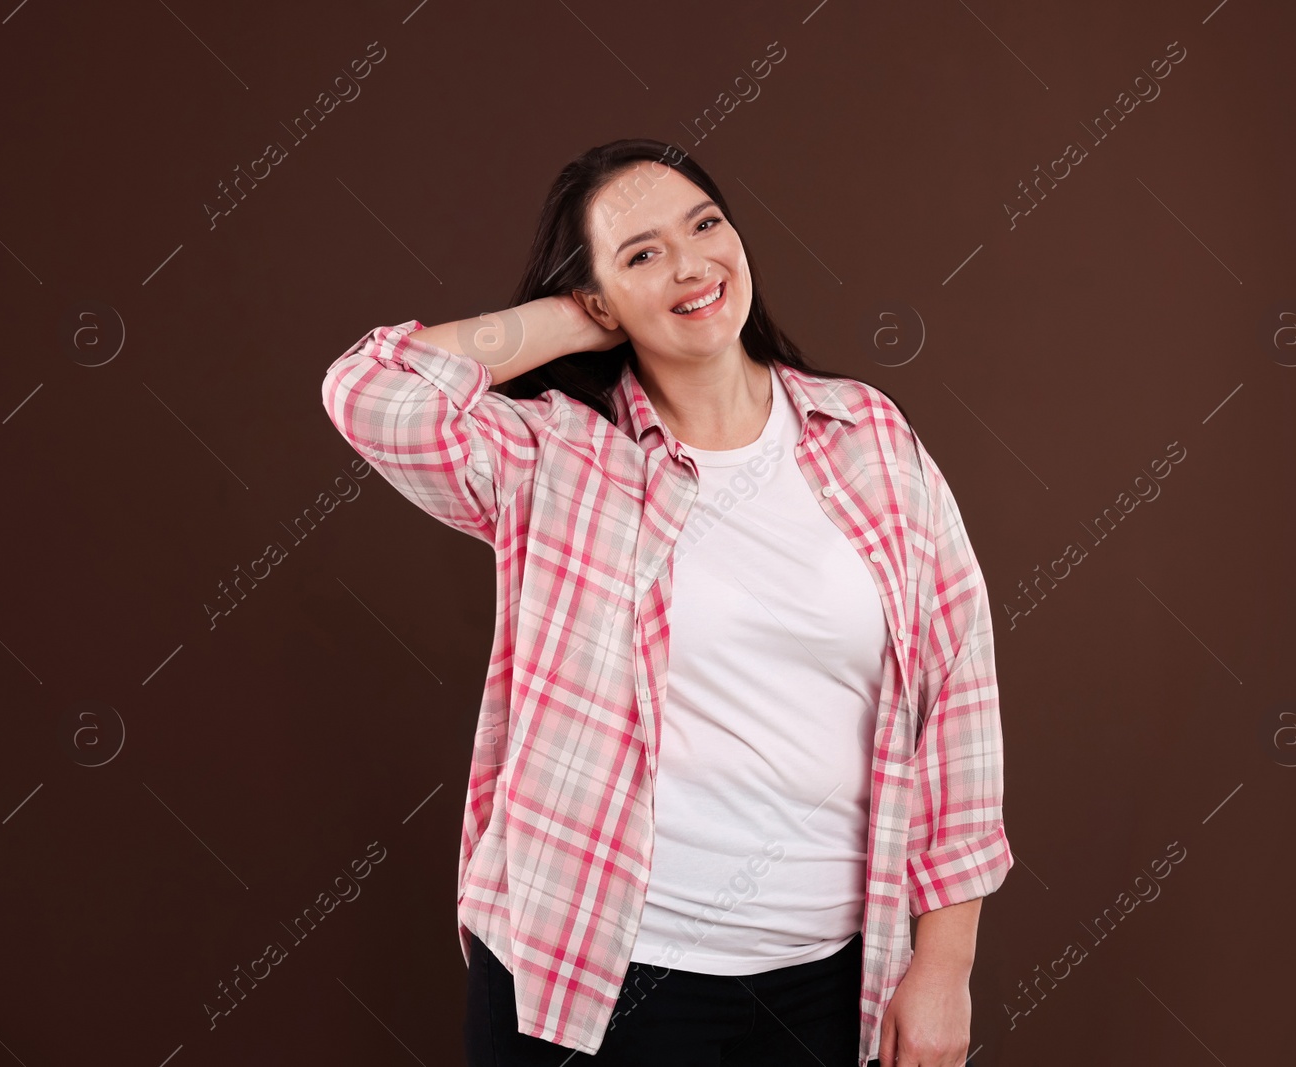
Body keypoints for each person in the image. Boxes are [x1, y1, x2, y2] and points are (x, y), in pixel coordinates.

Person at [321, 137, 1012, 1067]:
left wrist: (946, 962)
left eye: (705, 225)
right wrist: (569, 322)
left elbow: (958, 697)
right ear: (597, 297)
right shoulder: (558, 457)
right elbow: (366, 390)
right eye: (642, 253)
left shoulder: (869, 435)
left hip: (826, 982)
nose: (692, 265)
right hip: (591, 975)